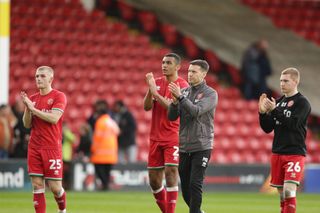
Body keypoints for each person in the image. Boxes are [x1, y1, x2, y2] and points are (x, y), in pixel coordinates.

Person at [168, 59, 218, 213]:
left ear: (204, 74)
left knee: (195, 184)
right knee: (186, 187)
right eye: (189, 71)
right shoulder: (184, 92)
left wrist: (181, 99)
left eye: (194, 71)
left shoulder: (210, 94)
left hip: (201, 145)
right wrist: (175, 103)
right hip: (184, 146)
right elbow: (171, 117)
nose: (190, 74)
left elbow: (196, 111)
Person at [258, 67, 311, 213]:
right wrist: (262, 114)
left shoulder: (302, 102)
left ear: (295, 81)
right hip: (277, 153)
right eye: (281, 80)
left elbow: (294, 124)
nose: (282, 84)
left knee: (289, 190)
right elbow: (268, 128)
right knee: (282, 194)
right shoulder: (279, 102)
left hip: (294, 152)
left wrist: (274, 111)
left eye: (286, 81)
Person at [143, 53, 189, 213]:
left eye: (168, 63)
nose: (164, 65)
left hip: (173, 136)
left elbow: (172, 109)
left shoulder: (182, 86)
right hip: (155, 137)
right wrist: (150, 90)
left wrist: (155, 93)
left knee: (171, 172)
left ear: (177, 67)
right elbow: (147, 107)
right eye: (163, 62)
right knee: (154, 181)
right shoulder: (156, 82)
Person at [21, 66, 67, 213]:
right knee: (37, 185)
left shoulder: (59, 96)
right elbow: (27, 124)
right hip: (34, 146)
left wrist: (33, 109)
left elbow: (54, 118)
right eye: (36, 76)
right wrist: (28, 108)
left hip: (52, 147)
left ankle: (62, 209)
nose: (38, 79)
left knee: (55, 188)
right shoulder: (32, 99)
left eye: (42, 76)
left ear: (51, 79)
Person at [90, 100, 120, 190]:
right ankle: (106, 185)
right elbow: (118, 132)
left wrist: (93, 149)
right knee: (107, 171)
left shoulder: (100, 122)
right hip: (111, 151)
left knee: (99, 169)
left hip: (101, 152)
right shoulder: (111, 121)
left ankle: (105, 185)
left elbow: (97, 137)